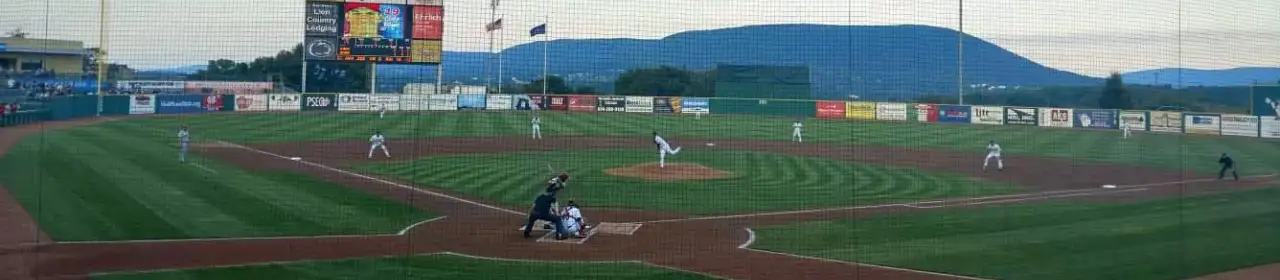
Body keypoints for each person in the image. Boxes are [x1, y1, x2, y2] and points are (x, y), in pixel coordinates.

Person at [523, 173, 571, 240]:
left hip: (535, 213)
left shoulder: (540, 196)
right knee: (557, 219)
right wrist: (557, 214)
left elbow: (533, 206)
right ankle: (561, 234)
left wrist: (529, 214)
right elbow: (554, 207)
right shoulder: (551, 198)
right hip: (544, 214)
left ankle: (526, 232)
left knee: (532, 218)